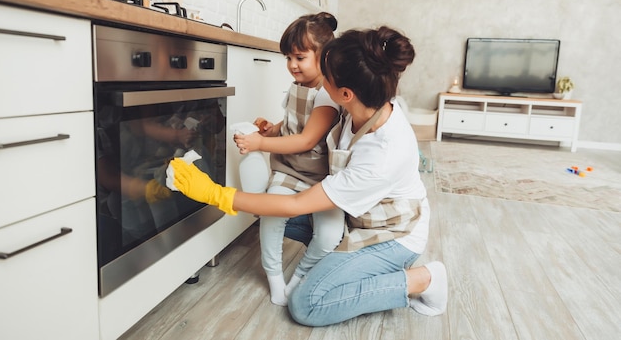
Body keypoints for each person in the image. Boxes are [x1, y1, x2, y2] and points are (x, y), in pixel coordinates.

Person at [169, 26, 448, 326]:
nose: (318, 79)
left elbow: (296, 205)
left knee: (306, 305)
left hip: (392, 235)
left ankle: (424, 280)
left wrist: (215, 194)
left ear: (345, 93)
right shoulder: (360, 106)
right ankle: (347, 265)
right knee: (267, 213)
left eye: (324, 75)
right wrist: (274, 130)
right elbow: (303, 136)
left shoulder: (384, 152)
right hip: (356, 216)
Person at [234, 12, 344, 306]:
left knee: (330, 234)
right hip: (289, 170)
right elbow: (292, 124)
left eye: (299, 57)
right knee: (271, 217)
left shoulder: (327, 95)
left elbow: (307, 139)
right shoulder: (298, 86)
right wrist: (271, 130)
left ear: (323, 56)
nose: (292, 65)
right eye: (288, 58)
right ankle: (274, 277)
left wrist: (260, 144)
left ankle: (300, 276)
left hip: (321, 176)